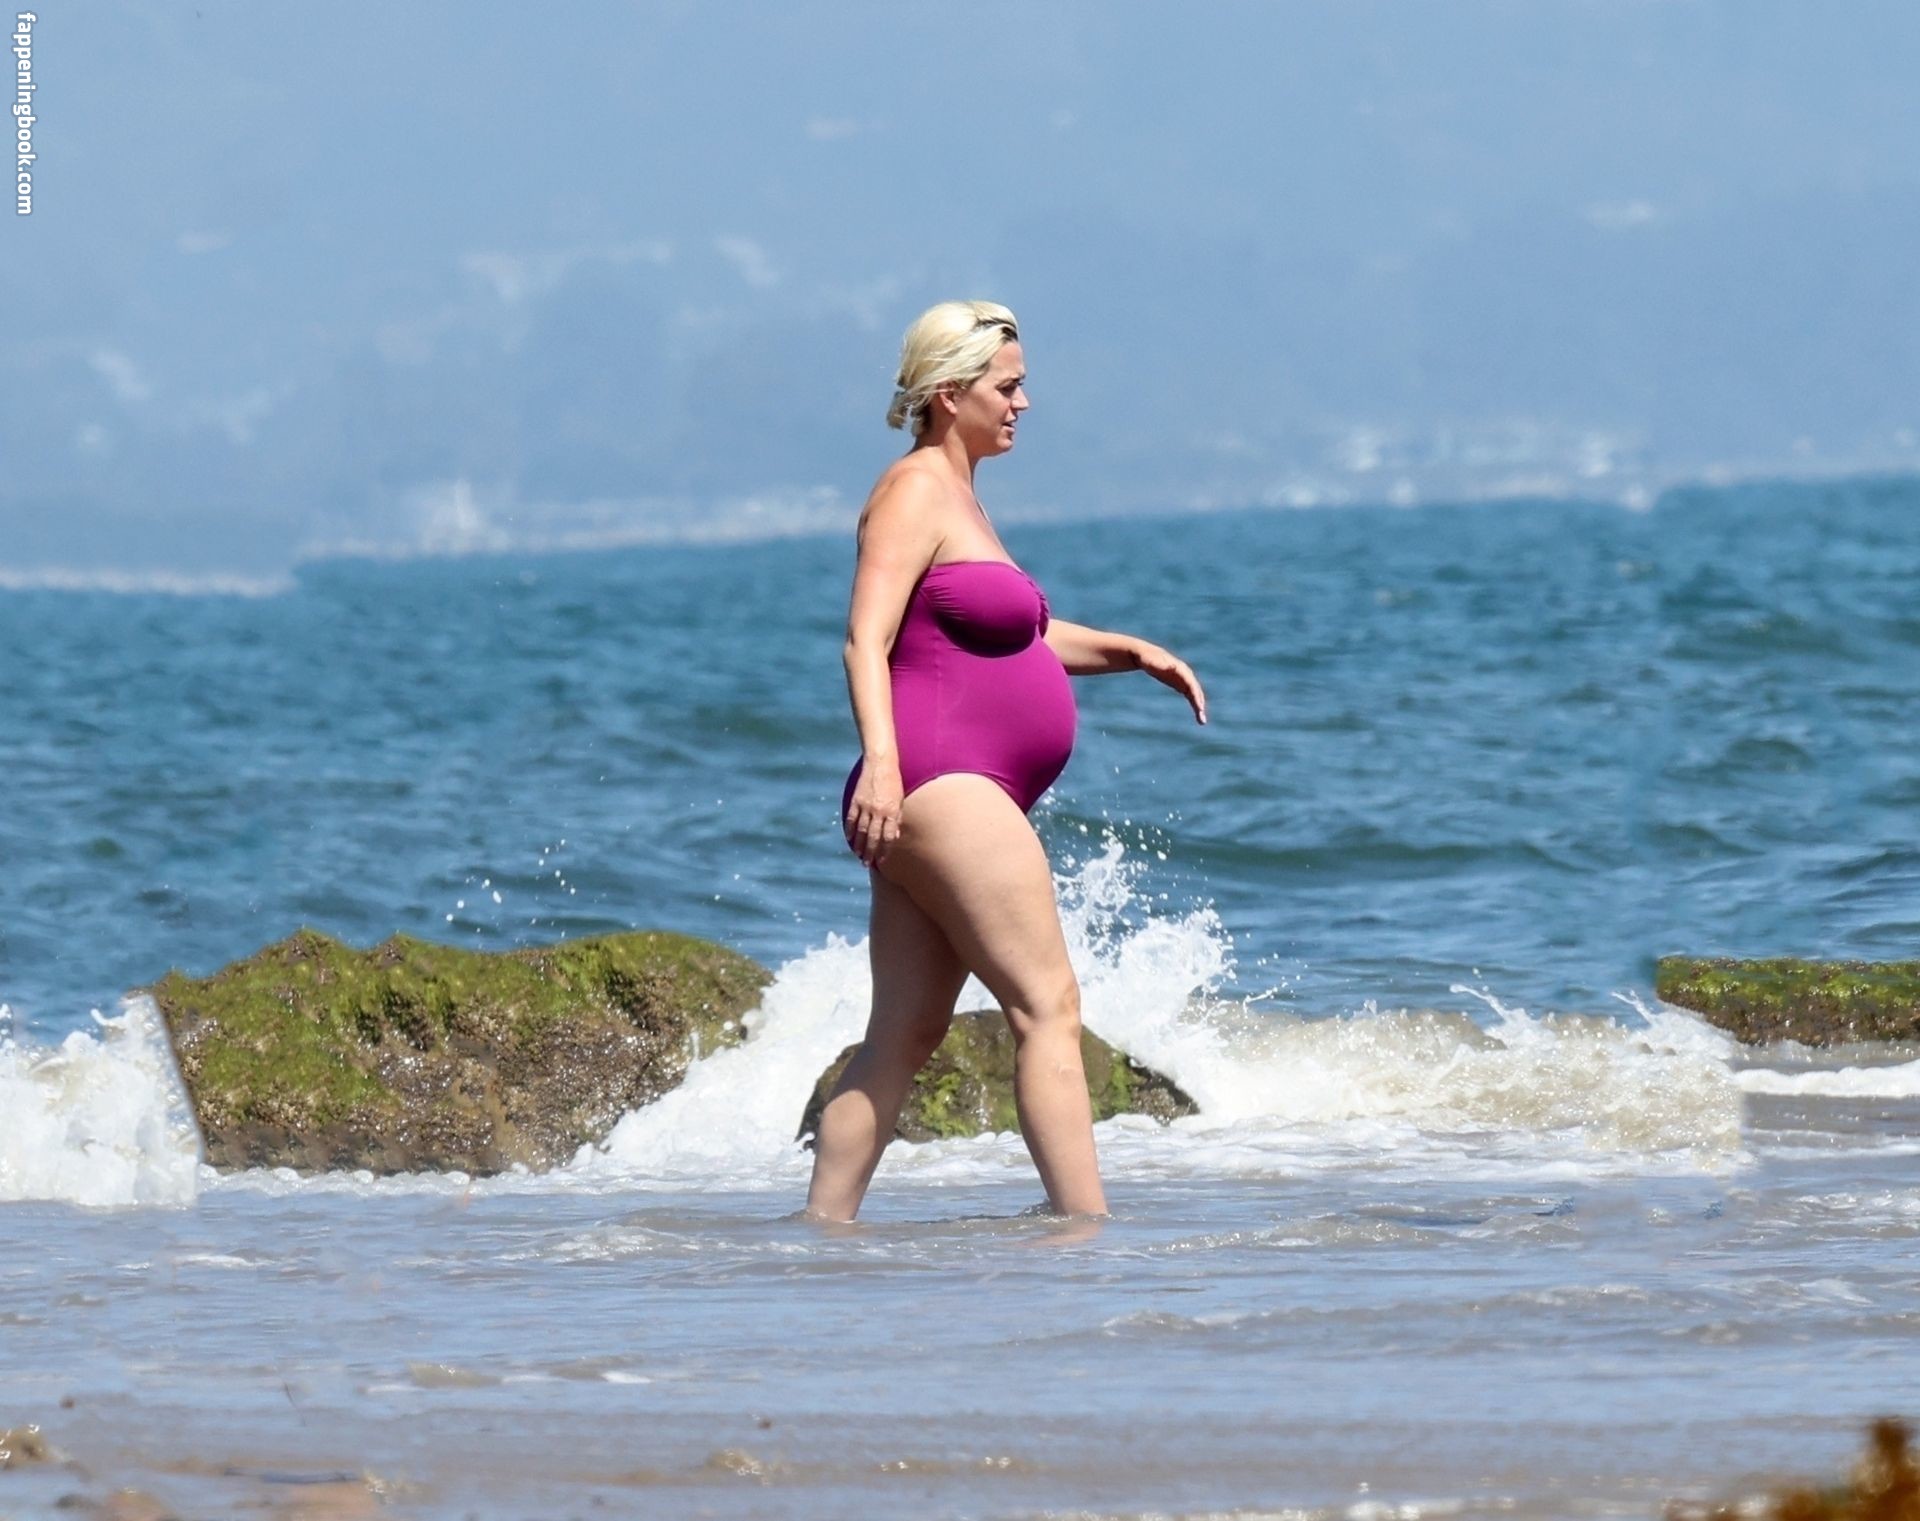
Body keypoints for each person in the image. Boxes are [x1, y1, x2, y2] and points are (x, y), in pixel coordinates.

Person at [801, 299, 1208, 1224]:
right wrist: (882, 764)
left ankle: (819, 1234)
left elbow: (1014, 636)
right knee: (1049, 1005)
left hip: (940, 782)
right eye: (1008, 386)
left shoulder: (961, 497)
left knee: (902, 1035)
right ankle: (1085, 1227)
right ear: (951, 393)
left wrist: (1130, 651)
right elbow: (865, 640)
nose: (1023, 403)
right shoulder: (912, 491)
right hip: (938, 778)